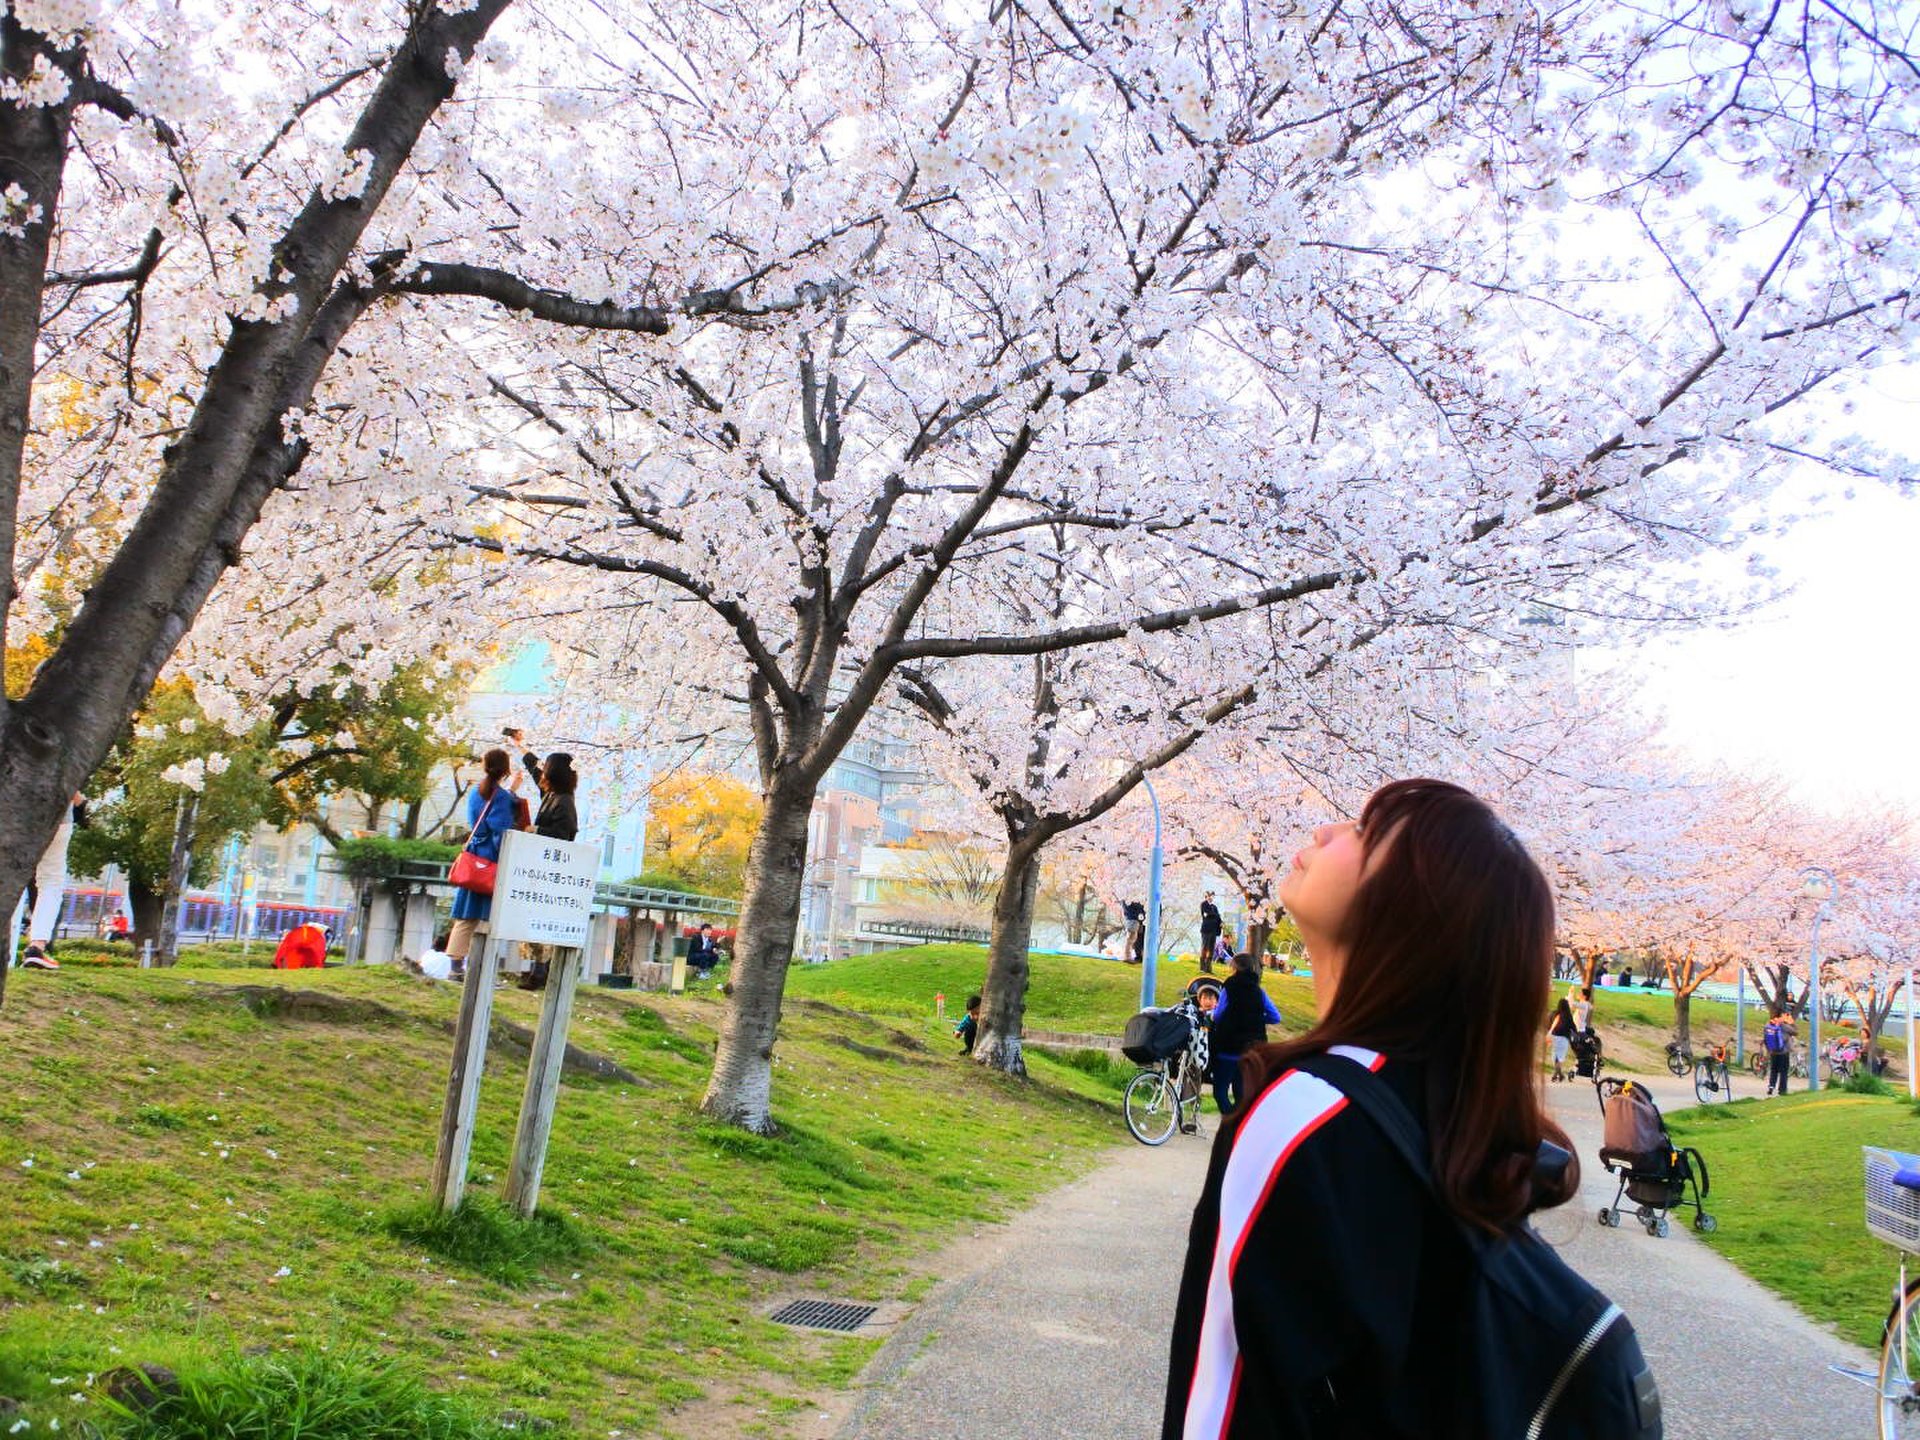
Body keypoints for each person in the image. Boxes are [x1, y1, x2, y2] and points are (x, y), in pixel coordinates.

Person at [1164, 779, 1584, 1438]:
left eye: (1366, 833)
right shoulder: (1450, 1120)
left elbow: (1219, 1396)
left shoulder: (1304, 1113)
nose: (1326, 831)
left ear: (1413, 910)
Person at [447, 747, 519, 981]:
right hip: (491, 860)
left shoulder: (475, 793)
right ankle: (483, 971)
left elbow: (480, 819)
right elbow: (500, 831)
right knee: (490, 916)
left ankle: (456, 966)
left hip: (474, 855)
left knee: (466, 914)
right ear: (506, 769)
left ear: (484, 765)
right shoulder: (503, 798)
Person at [1208, 951, 1280, 1115]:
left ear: (1234, 968)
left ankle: (1231, 1121)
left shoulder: (1229, 987)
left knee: (1220, 1093)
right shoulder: (1258, 991)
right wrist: (1256, 1019)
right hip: (1251, 1052)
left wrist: (1212, 1015)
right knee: (1241, 1093)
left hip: (1228, 1049)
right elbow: (1275, 1017)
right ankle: (1238, 1123)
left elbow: (1218, 1015)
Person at [1762, 1007, 1794, 1096]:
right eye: (1784, 1015)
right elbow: (1795, 1032)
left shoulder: (1768, 1025)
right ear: (1780, 1016)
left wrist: (1769, 1049)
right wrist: (1791, 1022)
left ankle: (1771, 1087)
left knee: (1773, 1070)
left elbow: (1765, 1038)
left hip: (1773, 1052)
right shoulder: (1784, 1026)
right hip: (1783, 1052)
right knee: (1783, 1071)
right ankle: (1782, 1090)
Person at [1548, 994, 1577, 1082]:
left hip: (1554, 1037)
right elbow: (1573, 1027)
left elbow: (1548, 1023)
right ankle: (1556, 1074)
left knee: (1555, 1057)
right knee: (1560, 1057)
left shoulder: (1554, 1013)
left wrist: (1549, 1032)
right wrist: (1576, 1033)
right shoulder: (1568, 1015)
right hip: (1563, 1038)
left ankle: (1559, 1074)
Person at [1199, 891, 1222, 974]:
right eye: (1209, 896)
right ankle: (1202, 968)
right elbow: (1208, 914)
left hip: (1213, 931)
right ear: (1206, 897)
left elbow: (1218, 916)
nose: (1211, 898)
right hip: (1206, 930)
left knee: (1211, 949)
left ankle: (1208, 968)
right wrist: (1215, 915)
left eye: (1212, 896)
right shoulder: (1203, 904)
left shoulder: (1214, 907)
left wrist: (1221, 921)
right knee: (1204, 948)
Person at [1122, 898, 1147, 965]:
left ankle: (1131, 956)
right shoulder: (1130, 899)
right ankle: (1127, 957)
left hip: (1136, 919)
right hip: (1133, 919)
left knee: (1134, 938)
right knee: (1131, 938)